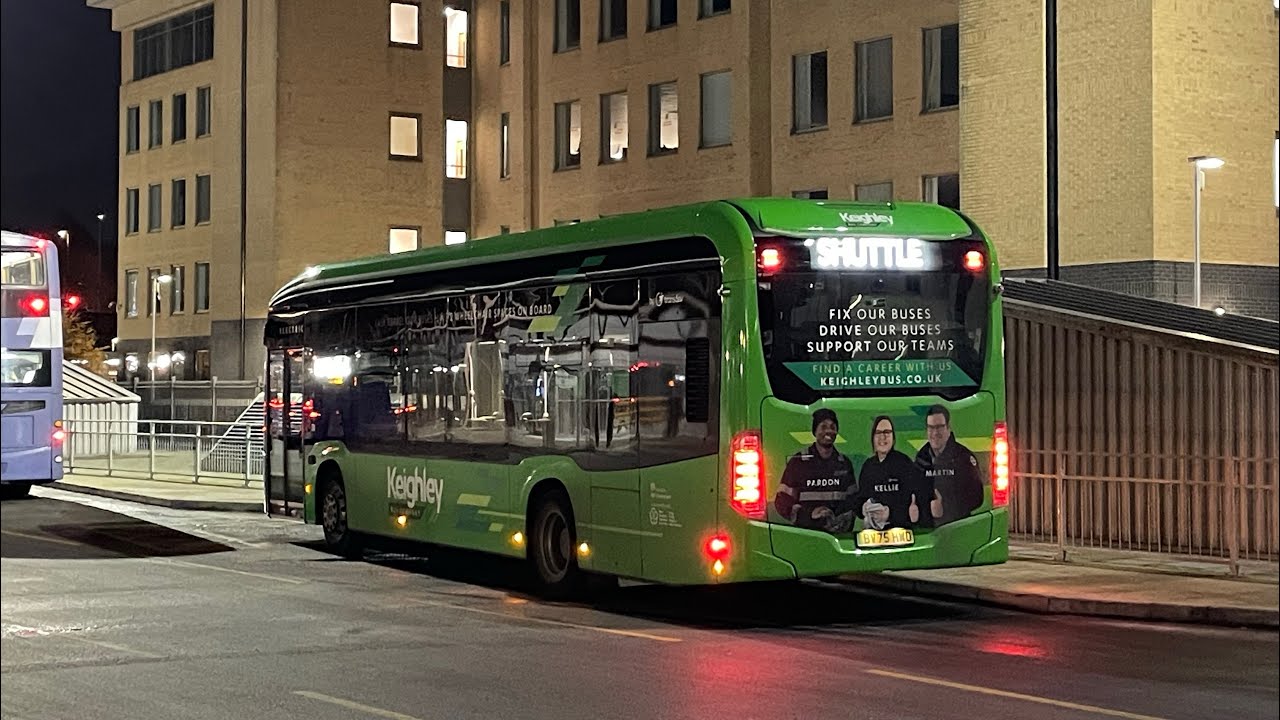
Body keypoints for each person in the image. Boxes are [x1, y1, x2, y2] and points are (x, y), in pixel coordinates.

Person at [773, 409, 858, 534]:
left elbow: (853, 501)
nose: (828, 431)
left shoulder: (844, 463)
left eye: (832, 427)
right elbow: (782, 501)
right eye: (823, 427)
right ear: (815, 431)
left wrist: (840, 519)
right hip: (806, 535)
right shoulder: (798, 462)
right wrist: (809, 516)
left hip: (838, 535)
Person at [854, 416, 934, 530]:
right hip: (873, 533)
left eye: (887, 432)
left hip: (901, 530)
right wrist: (864, 508)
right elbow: (860, 499)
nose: (883, 436)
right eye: (878, 433)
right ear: (873, 438)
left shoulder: (904, 463)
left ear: (893, 438)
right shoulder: (868, 466)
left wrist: (890, 514)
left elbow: (915, 499)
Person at [915, 404, 984, 526]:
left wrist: (944, 507)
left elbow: (977, 498)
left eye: (939, 427)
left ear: (948, 429)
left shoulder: (964, 458)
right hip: (928, 529)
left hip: (958, 528)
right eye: (931, 427)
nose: (935, 433)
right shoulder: (921, 459)